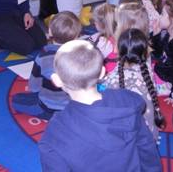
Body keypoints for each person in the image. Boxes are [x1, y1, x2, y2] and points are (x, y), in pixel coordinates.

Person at [39, 40, 162, 171]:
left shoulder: (55, 134)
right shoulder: (127, 103)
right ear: (102, 73)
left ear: (57, 81)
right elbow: (146, 148)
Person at [11, 11, 82, 119]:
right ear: (76, 37)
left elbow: (34, 86)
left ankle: (51, 114)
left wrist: (35, 91)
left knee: (16, 100)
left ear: (49, 32)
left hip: (47, 106)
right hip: (72, 106)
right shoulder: (80, 55)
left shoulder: (43, 56)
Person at [103, 29, 165, 140]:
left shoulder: (113, 79)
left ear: (119, 50)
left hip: (127, 140)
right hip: (150, 138)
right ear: (145, 52)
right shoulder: (147, 70)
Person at [88, 3, 118, 73]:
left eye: (95, 21)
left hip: (107, 74)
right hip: (121, 71)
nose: (94, 23)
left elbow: (91, 61)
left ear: (100, 24)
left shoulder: (101, 41)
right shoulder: (124, 35)